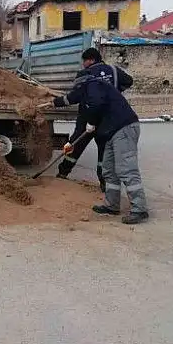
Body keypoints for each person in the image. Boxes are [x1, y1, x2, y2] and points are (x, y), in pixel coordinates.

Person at [51, 66, 149, 225]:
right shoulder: (86, 90)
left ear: (81, 84)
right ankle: (112, 205)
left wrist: (91, 122)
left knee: (126, 169)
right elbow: (69, 98)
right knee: (108, 170)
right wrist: (52, 102)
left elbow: (96, 104)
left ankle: (139, 209)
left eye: (77, 88)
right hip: (110, 133)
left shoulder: (94, 85)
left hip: (123, 128)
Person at [57, 48, 133, 193]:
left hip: (87, 118)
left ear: (91, 60)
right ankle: (104, 184)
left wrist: (56, 102)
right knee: (104, 152)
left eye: (84, 61)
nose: (83, 64)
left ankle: (62, 173)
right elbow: (129, 81)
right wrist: (114, 91)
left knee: (73, 145)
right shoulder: (114, 70)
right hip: (108, 120)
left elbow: (74, 97)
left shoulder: (85, 74)